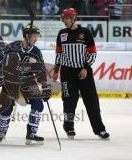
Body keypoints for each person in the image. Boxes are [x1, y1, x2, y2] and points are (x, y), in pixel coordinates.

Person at [53, 8, 110, 139]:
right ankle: (69, 128)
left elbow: (93, 54)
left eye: (66, 18)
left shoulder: (86, 32)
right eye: (63, 19)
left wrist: (85, 68)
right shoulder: (61, 34)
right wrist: (56, 71)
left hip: (84, 72)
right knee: (68, 101)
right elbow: (58, 54)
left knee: (92, 101)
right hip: (67, 72)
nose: (64, 21)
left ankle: (100, 129)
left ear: (73, 18)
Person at [0, 23, 52, 145]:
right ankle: (2, 132)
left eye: (37, 36)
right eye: (34, 36)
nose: (36, 39)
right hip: (11, 82)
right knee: (6, 105)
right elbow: (0, 63)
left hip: (28, 81)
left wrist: (45, 87)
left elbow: (41, 70)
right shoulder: (11, 47)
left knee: (38, 104)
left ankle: (31, 133)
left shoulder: (36, 51)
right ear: (26, 36)